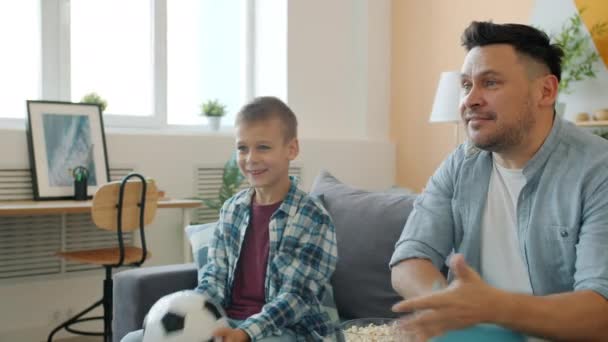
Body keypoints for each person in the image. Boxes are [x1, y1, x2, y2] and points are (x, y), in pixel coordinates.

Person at [390, 21, 608, 341]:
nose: (470, 100)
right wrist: (451, 305)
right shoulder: (461, 163)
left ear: (545, 91)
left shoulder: (597, 170)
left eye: (490, 83)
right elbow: (408, 258)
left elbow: (600, 313)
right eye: (466, 85)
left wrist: (494, 309)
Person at [121, 96, 338, 342]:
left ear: (292, 149)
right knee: (132, 339)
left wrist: (245, 333)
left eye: (263, 147)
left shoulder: (312, 216)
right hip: (226, 323)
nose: (251, 158)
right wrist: (186, 311)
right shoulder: (232, 210)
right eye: (242, 148)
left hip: (288, 330)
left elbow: (296, 298)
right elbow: (213, 278)